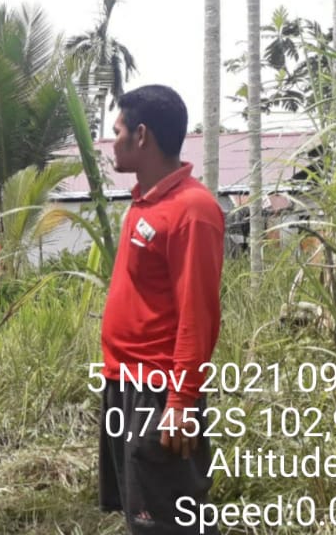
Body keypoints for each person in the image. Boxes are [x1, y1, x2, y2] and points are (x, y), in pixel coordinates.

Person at [97, 85, 224, 534]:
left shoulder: (193, 210)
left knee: (169, 522)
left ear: (142, 135)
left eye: (117, 131)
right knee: (142, 516)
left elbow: (198, 315)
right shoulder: (144, 200)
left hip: (158, 390)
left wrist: (181, 402)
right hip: (124, 383)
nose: (111, 141)